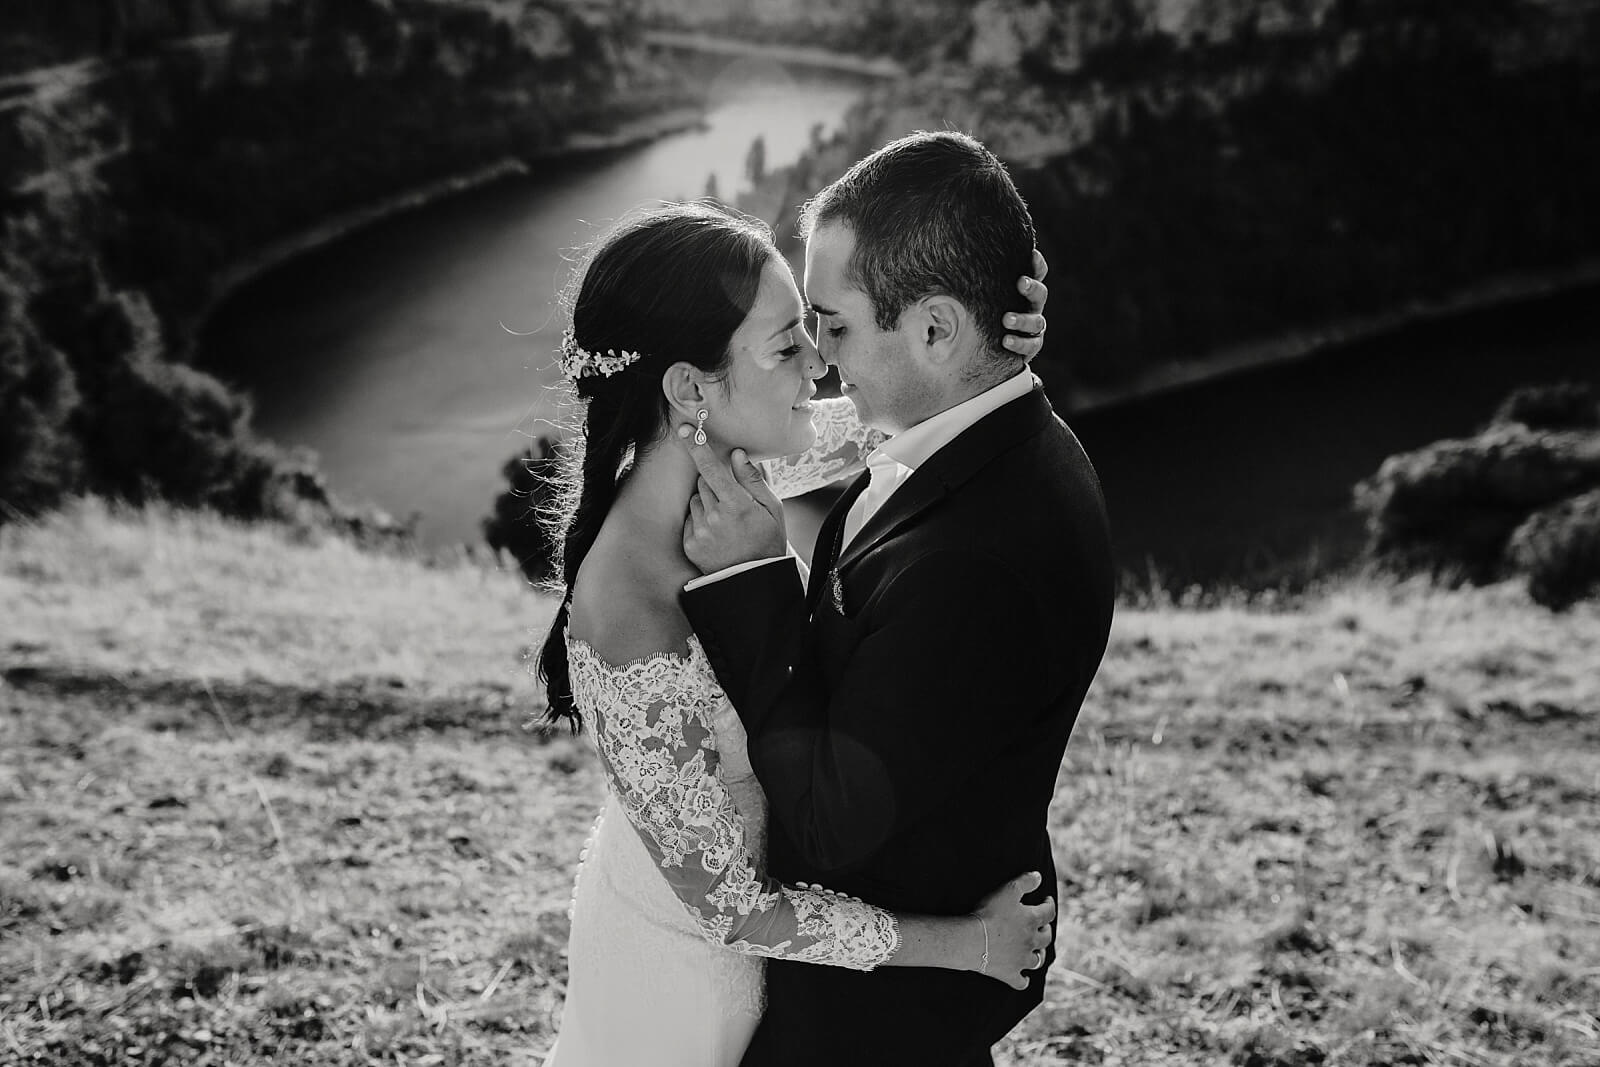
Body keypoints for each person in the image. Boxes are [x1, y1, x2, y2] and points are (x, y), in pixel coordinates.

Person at [535, 200, 1055, 1067]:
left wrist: (988, 348)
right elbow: (733, 909)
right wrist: (971, 944)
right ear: (688, 388)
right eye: (786, 346)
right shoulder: (628, 609)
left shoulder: (729, 466)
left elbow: (894, 417)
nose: (820, 365)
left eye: (814, 332)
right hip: (692, 991)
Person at [678, 131, 1116, 1067]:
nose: (821, 361)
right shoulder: (992, 430)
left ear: (934, 329)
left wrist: (753, 582)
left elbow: (834, 822)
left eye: (833, 324)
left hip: (872, 1019)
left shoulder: (977, 560)